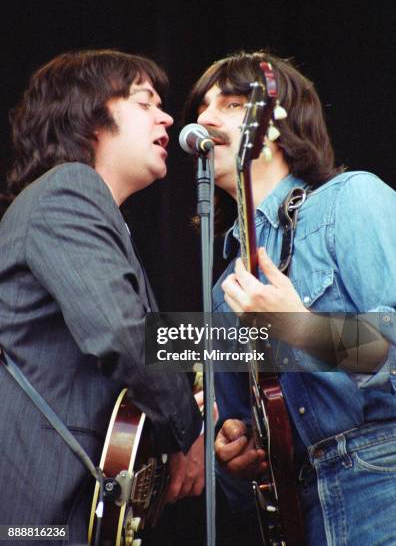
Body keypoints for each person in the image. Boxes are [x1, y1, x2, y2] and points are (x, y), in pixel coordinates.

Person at [185, 50, 396, 545]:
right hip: (306, 509)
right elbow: (250, 472)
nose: (205, 118)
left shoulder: (351, 200)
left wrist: (299, 327)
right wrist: (235, 457)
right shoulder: (224, 291)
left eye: (232, 104)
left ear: (274, 124)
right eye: (202, 107)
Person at [0, 50, 203, 544]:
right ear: (90, 117)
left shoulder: (92, 217)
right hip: (37, 519)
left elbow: (160, 339)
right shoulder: (69, 191)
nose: (168, 117)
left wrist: (321, 338)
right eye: (143, 101)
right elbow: (127, 334)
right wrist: (190, 430)